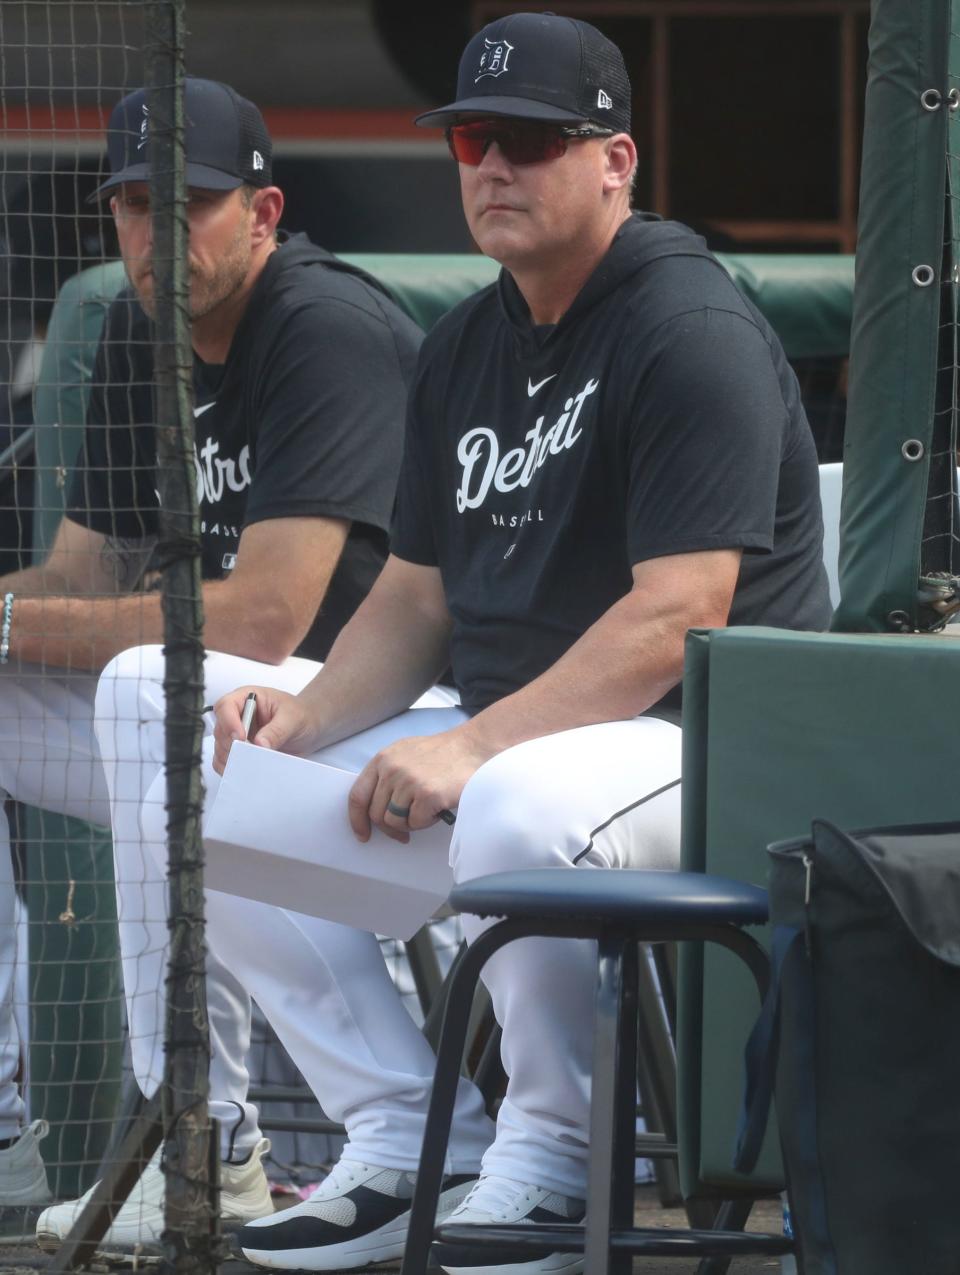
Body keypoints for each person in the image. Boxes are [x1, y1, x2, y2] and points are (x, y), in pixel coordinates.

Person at [162, 13, 831, 1275]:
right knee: (206, 774)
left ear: (616, 161)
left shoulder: (688, 325)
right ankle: (410, 1126)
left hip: (706, 743)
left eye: (531, 140)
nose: (493, 168)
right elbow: (417, 597)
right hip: (526, 747)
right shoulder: (468, 342)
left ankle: (553, 1161)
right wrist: (307, 722)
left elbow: (680, 613)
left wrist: (470, 744)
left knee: (515, 800)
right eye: (474, 138)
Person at [0, 74, 455, 1236]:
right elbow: (77, 582)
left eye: (189, 204)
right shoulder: (130, 329)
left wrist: (11, 625)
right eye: (135, 208)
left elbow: (264, 621)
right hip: (236, 724)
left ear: (261, 212)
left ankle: (207, 1135)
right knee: (139, 693)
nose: (158, 234)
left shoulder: (321, 326)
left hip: (391, 710)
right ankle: (12, 1117)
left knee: (149, 691)